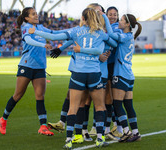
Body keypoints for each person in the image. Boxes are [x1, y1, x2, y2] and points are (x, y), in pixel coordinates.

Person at [29, 7, 112, 149]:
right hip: (94, 73)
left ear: (83, 18)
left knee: (73, 107)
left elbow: (55, 36)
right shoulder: (100, 33)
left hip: (78, 73)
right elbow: (109, 45)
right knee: (100, 106)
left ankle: (69, 140)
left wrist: (35, 31)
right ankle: (100, 138)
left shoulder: (75, 31)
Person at [0, 7, 54, 136]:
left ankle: (43, 126)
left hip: (40, 67)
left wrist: (72, 33)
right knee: (18, 95)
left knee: (40, 97)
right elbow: (28, 40)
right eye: (33, 14)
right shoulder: (26, 27)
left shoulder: (40, 28)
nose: (36, 15)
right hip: (27, 65)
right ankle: (4, 119)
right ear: (26, 18)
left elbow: (54, 33)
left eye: (36, 13)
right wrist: (43, 45)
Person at [102, 12, 142, 142]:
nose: (119, 21)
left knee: (117, 104)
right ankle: (135, 132)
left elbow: (111, 34)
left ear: (127, 24)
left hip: (120, 74)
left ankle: (126, 131)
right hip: (129, 75)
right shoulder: (129, 37)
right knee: (128, 105)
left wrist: (104, 18)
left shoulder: (124, 36)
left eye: (122, 20)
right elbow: (113, 40)